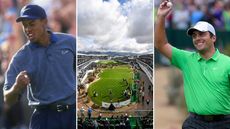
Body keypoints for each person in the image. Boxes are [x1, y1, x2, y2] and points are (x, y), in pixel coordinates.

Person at [155, 1, 230, 129]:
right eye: (194, 35)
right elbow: (161, 45)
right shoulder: (187, 59)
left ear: (213, 38)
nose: (197, 38)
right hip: (195, 123)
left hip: (224, 123)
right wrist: (161, 17)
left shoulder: (227, 62)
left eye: (202, 34)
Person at [3, 4, 76, 129]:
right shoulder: (21, 57)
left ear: (44, 22)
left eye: (31, 24)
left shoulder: (70, 42)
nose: (27, 29)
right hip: (44, 119)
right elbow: (7, 99)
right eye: (24, 25)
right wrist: (16, 87)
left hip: (73, 115)